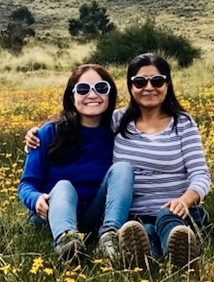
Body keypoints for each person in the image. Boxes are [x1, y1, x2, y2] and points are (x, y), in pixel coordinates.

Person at [26, 53, 211, 268]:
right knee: (141, 229)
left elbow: (200, 173)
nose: (149, 87)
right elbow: (80, 119)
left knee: (164, 221)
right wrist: (36, 134)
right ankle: (142, 255)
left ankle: (170, 253)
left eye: (157, 81)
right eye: (140, 82)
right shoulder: (119, 121)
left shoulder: (183, 123)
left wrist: (186, 200)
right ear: (131, 87)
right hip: (132, 213)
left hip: (172, 209)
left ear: (167, 85)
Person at [17, 64, 134, 261]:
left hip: (92, 216)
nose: (92, 94)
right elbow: (26, 184)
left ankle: (109, 237)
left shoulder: (117, 132)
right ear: (72, 97)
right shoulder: (48, 133)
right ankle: (67, 242)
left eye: (101, 88)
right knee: (63, 186)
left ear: (110, 94)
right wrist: (36, 199)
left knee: (123, 168)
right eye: (83, 89)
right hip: (52, 214)